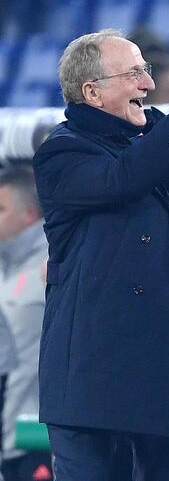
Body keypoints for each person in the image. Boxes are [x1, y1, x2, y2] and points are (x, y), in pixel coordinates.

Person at [31, 29, 169, 480]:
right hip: (95, 372)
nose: (149, 84)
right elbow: (124, 178)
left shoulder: (160, 132)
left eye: (147, 70)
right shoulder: (60, 154)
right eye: (134, 73)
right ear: (92, 92)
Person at [0, 167, 52, 481]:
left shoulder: (55, 260)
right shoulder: (3, 266)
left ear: (29, 214)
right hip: (7, 434)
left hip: (37, 431)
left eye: (1, 209)